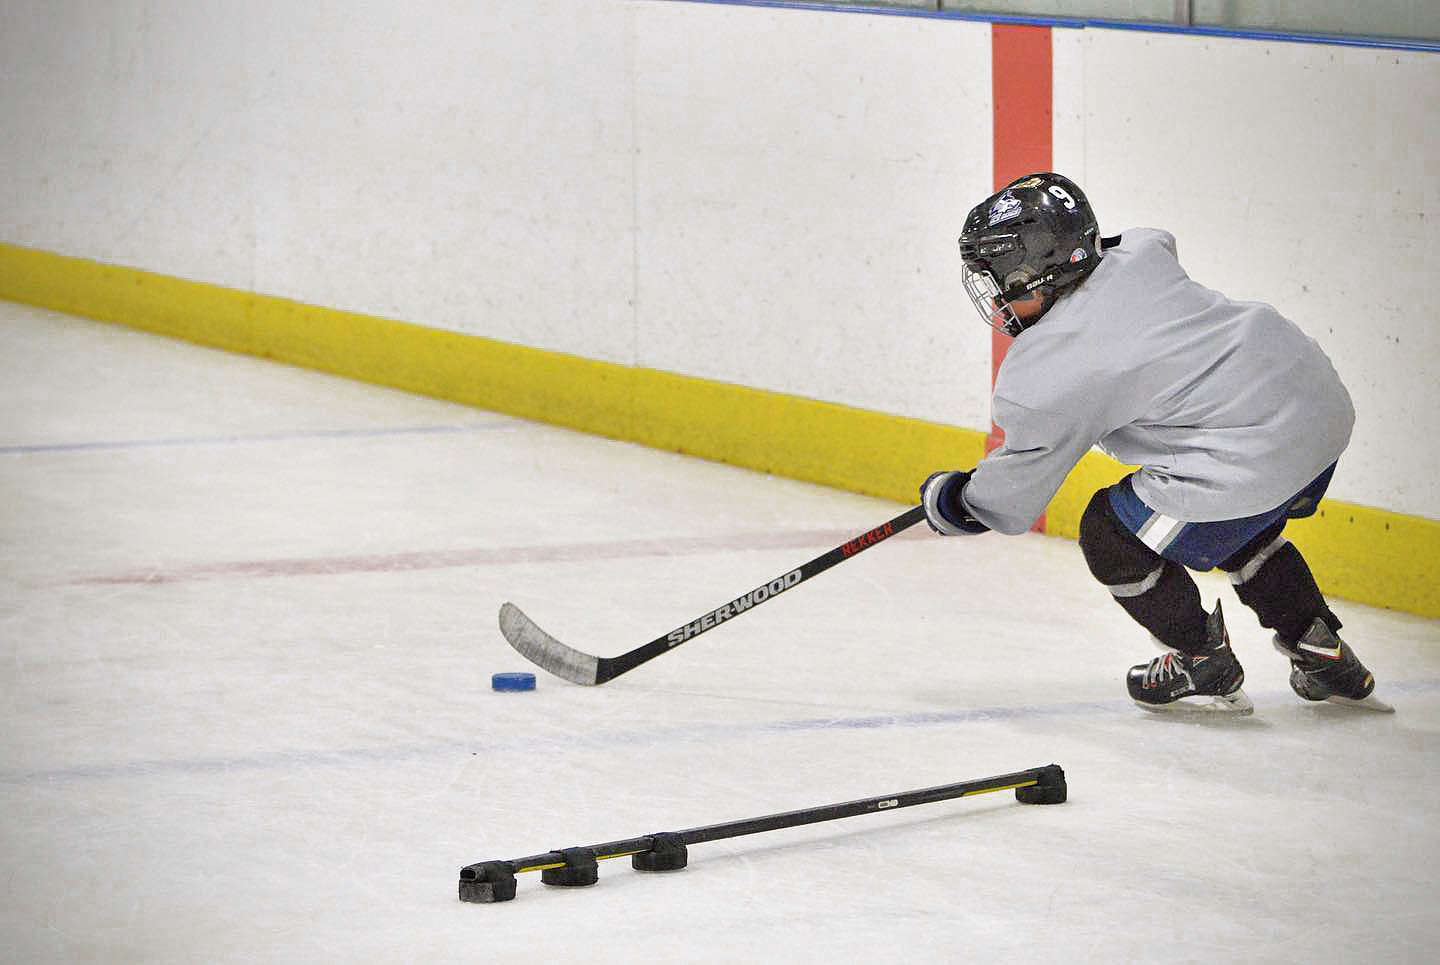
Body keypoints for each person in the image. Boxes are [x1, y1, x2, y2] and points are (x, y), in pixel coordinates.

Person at [920, 172, 1391, 714]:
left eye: (1006, 279)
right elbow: (1140, 244)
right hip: (1317, 412)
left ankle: (1199, 659)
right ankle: (1320, 649)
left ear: (1043, 272)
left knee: (1110, 534)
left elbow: (1010, 501)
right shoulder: (1140, 255)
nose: (1000, 297)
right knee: (1236, 523)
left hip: (1250, 446)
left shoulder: (1052, 364)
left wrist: (956, 502)